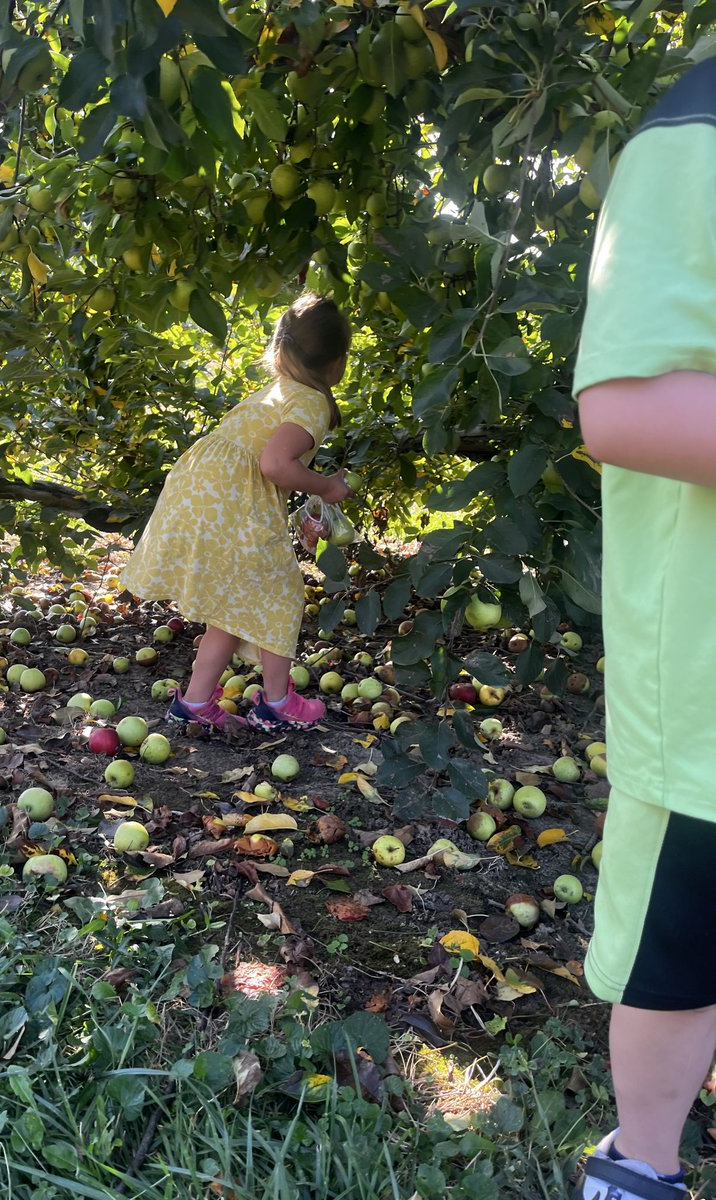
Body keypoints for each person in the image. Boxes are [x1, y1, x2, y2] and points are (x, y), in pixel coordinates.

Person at [572, 54, 716, 1200]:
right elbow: (623, 405)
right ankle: (640, 1168)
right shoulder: (694, 140)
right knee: (682, 955)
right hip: (710, 691)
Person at [118, 292, 353, 733]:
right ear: (338, 363)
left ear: (280, 349)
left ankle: (193, 703)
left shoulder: (276, 391)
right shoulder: (311, 401)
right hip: (230, 499)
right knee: (283, 593)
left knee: (232, 603)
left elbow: (268, 458)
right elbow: (275, 465)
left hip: (200, 489)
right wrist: (328, 487)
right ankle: (279, 702)